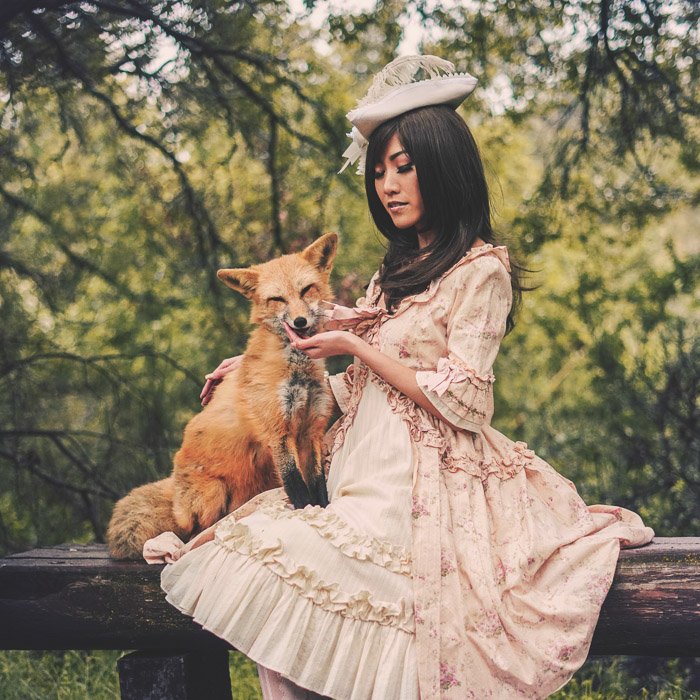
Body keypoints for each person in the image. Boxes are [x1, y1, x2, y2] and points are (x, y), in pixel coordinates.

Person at [150, 55, 655, 699]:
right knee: (269, 594)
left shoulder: (481, 272)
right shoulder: (394, 274)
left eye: (405, 167)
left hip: (428, 485)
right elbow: (358, 392)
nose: (389, 185)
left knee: (295, 573)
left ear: (442, 169)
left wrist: (355, 348)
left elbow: (466, 402)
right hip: (365, 470)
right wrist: (265, 376)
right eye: (380, 169)